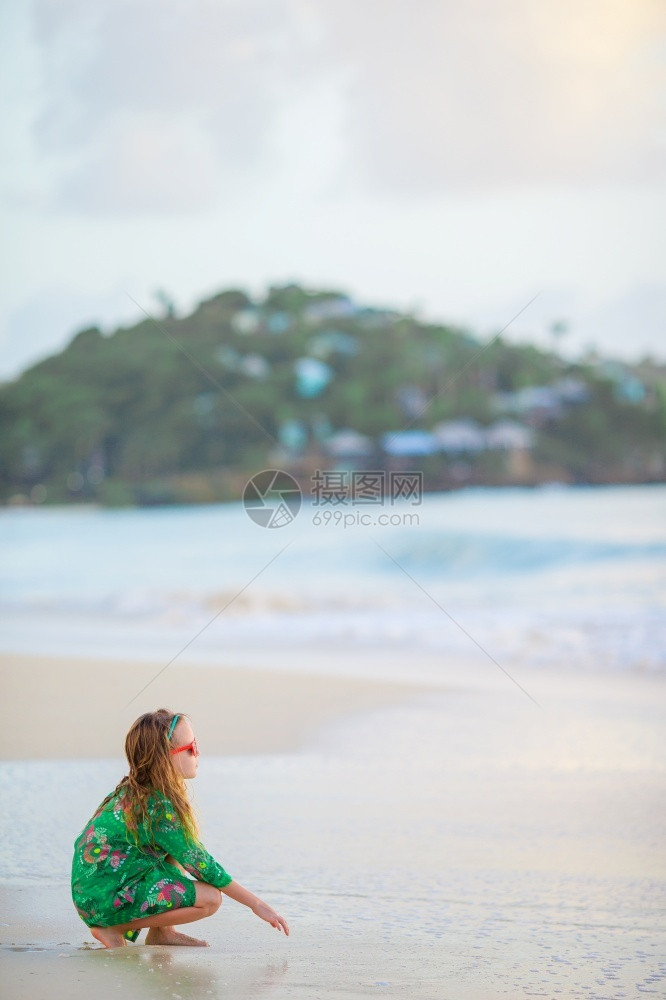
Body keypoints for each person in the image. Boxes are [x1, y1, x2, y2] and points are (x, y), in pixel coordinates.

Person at [71, 708, 290, 948]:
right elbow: (202, 864)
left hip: (93, 893)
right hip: (102, 900)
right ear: (165, 759)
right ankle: (113, 928)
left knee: (172, 853)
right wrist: (256, 904)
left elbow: (185, 854)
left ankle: (162, 933)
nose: (198, 752)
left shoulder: (136, 790)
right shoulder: (157, 807)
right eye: (190, 748)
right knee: (210, 899)